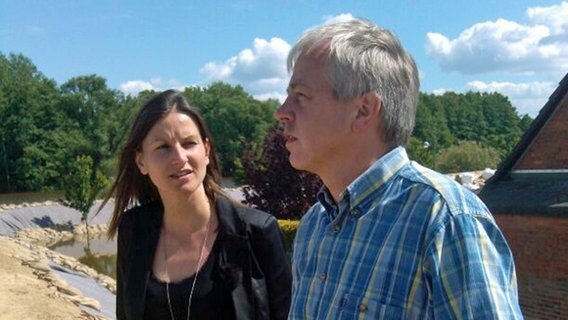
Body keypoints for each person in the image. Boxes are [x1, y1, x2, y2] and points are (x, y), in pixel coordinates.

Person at [275, 18, 523, 319]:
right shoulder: (315, 225)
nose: (282, 112)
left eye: (300, 96)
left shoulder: (445, 220)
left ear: (363, 110)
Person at [102, 89, 291, 320]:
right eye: (163, 147)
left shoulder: (257, 234)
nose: (179, 157)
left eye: (189, 143)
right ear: (141, 161)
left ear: (207, 151)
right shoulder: (133, 229)